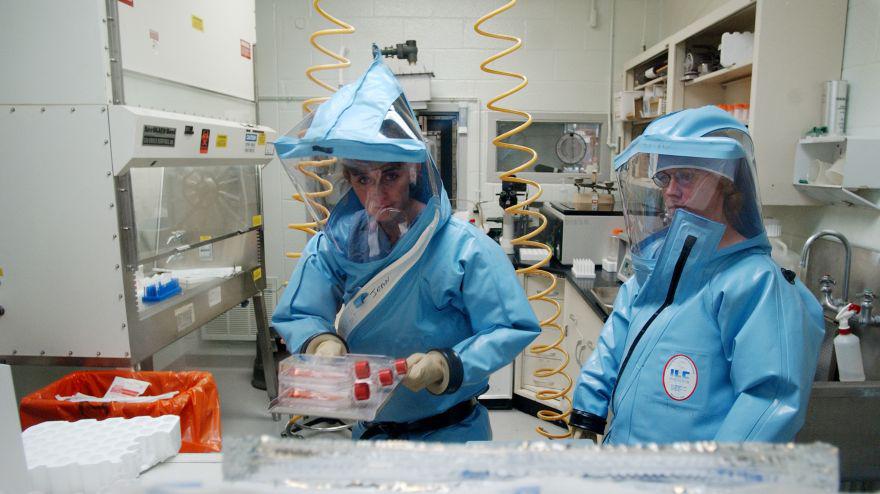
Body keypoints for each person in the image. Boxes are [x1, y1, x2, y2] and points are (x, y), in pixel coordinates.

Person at [271, 46, 541, 442]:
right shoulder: (337, 244)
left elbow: (510, 326)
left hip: (450, 432)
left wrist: (447, 364)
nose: (377, 194)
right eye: (362, 179)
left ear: (414, 170)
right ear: (347, 179)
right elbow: (300, 312)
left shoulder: (464, 249)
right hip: (372, 431)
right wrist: (320, 341)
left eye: (390, 176)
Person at [569, 106, 824, 444]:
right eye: (665, 178)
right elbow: (611, 347)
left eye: (685, 176)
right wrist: (587, 413)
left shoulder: (755, 284)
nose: (670, 190)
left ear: (726, 182)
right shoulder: (657, 266)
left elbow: (769, 401)